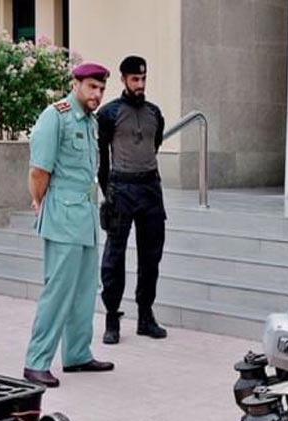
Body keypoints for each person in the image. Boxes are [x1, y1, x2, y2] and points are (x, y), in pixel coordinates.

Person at [23, 62, 115, 388]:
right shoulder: (56, 116)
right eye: (92, 87)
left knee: (85, 291)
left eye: (101, 89)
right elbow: (38, 171)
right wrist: (40, 201)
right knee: (58, 291)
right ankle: (36, 362)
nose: (97, 94)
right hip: (63, 216)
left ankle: (77, 354)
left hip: (85, 216)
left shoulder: (90, 122)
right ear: (75, 84)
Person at [97, 55, 168, 344]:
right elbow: (102, 159)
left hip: (150, 188)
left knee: (151, 256)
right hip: (121, 188)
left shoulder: (154, 113)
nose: (140, 84)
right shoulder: (109, 113)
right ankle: (112, 318)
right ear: (123, 79)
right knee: (114, 257)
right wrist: (108, 194)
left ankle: (145, 316)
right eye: (135, 79)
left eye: (143, 78)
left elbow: (155, 144)